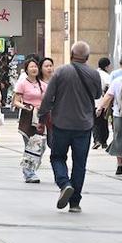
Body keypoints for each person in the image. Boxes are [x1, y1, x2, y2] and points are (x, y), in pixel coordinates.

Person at [42, 41, 105, 213]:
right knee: (79, 163)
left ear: (71, 54)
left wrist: (42, 115)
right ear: (87, 57)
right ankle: (75, 202)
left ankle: (64, 184)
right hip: (84, 126)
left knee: (57, 157)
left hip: (61, 124)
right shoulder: (94, 74)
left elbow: (48, 97)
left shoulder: (61, 71)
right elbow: (98, 94)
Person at [13, 57, 48, 184]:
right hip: (28, 117)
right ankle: (29, 173)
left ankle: (31, 168)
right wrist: (25, 106)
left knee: (41, 146)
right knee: (30, 145)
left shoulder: (43, 85)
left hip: (40, 117)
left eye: (36, 66)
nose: (34, 69)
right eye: (31, 67)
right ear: (26, 69)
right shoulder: (22, 83)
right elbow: (16, 101)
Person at [93, 57, 115, 151]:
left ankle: (96, 140)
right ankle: (104, 142)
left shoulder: (93, 74)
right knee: (104, 122)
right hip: (104, 102)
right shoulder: (107, 76)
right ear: (106, 66)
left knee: (95, 122)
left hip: (94, 102)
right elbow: (109, 89)